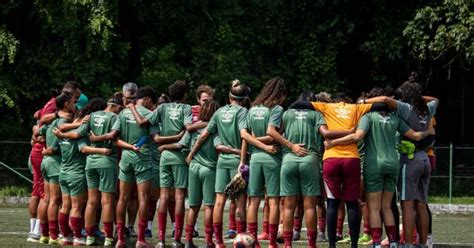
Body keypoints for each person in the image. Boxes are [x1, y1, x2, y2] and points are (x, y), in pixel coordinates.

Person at [326, 87, 434, 248]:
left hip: (374, 164)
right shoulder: (395, 118)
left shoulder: (368, 117)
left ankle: (376, 241)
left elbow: (358, 136)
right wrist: (428, 131)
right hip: (393, 164)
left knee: (374, 207)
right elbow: (416, 136)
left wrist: (332, 142)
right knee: (387, 207)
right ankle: (394, 242)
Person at [289, 91, 389, 248]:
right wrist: (364, 102)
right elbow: (383, 104)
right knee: (352, 203)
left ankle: (332, 246)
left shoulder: (326, 107)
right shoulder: (356, 108)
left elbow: (298, 104)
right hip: (352, 159)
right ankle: (354, 244)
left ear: (334, 101)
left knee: (332, 203)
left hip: (331, 159)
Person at [187, 80, 277, 248]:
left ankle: (218, 242)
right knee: (241, 202)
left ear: (229, 97)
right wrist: (246, 159)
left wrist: (191, 154)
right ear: (244, 99)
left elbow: (204, 135)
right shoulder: (243, 111)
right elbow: (244, 135)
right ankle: (242, 237)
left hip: (221, 162)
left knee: (219, 201)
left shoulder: (219, 111)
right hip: (237, 161)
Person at [269, 90, 354, 248]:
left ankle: (287, 244)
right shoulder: (316, 115)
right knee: (310, 206)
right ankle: (311, 244)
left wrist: (291, 146)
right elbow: (326, 133)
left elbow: (272, 132)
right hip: (310, 160)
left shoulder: (287, 113)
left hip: (288, 161)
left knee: (288, 206)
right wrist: (349, 132)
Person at [364, 74, 439, 246]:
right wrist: (419, 96)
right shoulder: (428, 108)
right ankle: (422, 243)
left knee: (407, 205)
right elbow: (435, 98)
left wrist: (362, 103)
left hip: (409, 159)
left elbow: (384, 99)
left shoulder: (406, 108)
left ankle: (408, 244)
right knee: (422, 204)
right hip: (425, 158)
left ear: (407, 96)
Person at [128, 81, 193, 248]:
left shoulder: (162, 108)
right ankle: (177, 239)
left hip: (164, 156)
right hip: (179, 156)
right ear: (185, 95)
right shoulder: (186, 109)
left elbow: (142, 122)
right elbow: (188, 128)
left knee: (163, 197)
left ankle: (161, 240)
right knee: (178, 197)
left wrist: (132, 107)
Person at [54, 94, 125, 246]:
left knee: (91, 202)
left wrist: (62, 135)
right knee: (106, 202)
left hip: (90, 163)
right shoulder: (115, 117)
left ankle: (90, 236)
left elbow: (77, 134)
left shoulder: (91, 116)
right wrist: (98, 140)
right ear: (118, 107)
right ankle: (108, 238)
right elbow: (113, 135)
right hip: (106, 161)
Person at [160, 100, 220, 248]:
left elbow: (180, 145)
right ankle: (208, 241)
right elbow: (219, 147)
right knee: (209, 206)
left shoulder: (192, 129)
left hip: (193, 168)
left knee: (193, 206)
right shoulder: (216, 129)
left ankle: (188, 241)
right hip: (209, 169)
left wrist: (164, 146)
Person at [27, 82, 81, 243]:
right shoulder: (62, 122)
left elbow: (37, 131)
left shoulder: (52, 120)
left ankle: (44, 234)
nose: (76, 104)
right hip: (56, 162)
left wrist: (37, 139)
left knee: (47, 198)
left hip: (46, 161)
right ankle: (54, 234)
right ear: (66, 103)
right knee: (57, 200)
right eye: (74, 101)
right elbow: (63, 137)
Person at [111, 86, 157, 248]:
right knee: (143, 198)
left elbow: (115, 139)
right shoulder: (150, 114)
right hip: (143, 160)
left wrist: (129, 147)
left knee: (122, 198)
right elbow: (156, 138)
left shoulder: (123, 113)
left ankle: (120, 239)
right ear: (148, 100)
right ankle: (140, 240)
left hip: (125, 159)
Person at [245, 77, 287, 248]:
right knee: (273, 201)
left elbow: (246, 136)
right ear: (280, 93)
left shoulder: (252, 109)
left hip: (254, 159)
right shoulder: (276, 109)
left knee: (253, 201)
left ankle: (253, 241)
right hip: (272, 159)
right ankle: (271, 243)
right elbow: (272, 136)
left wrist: (253, 141)